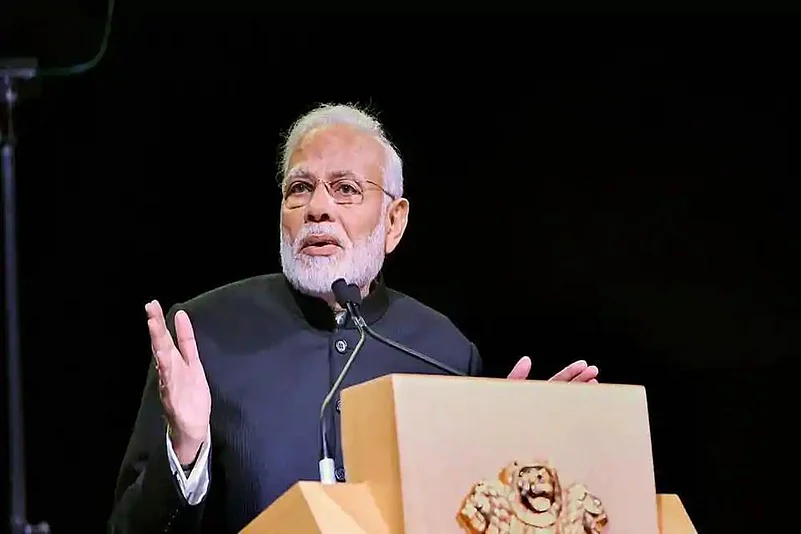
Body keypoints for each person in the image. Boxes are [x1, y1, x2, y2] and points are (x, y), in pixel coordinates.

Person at [108, 103, 600, 534]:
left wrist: (512, 456)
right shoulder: (204, 335)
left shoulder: (445, 353)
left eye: (345, 189)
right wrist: (186, 449)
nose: (317, 208)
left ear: (394, 222)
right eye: (300, 188)